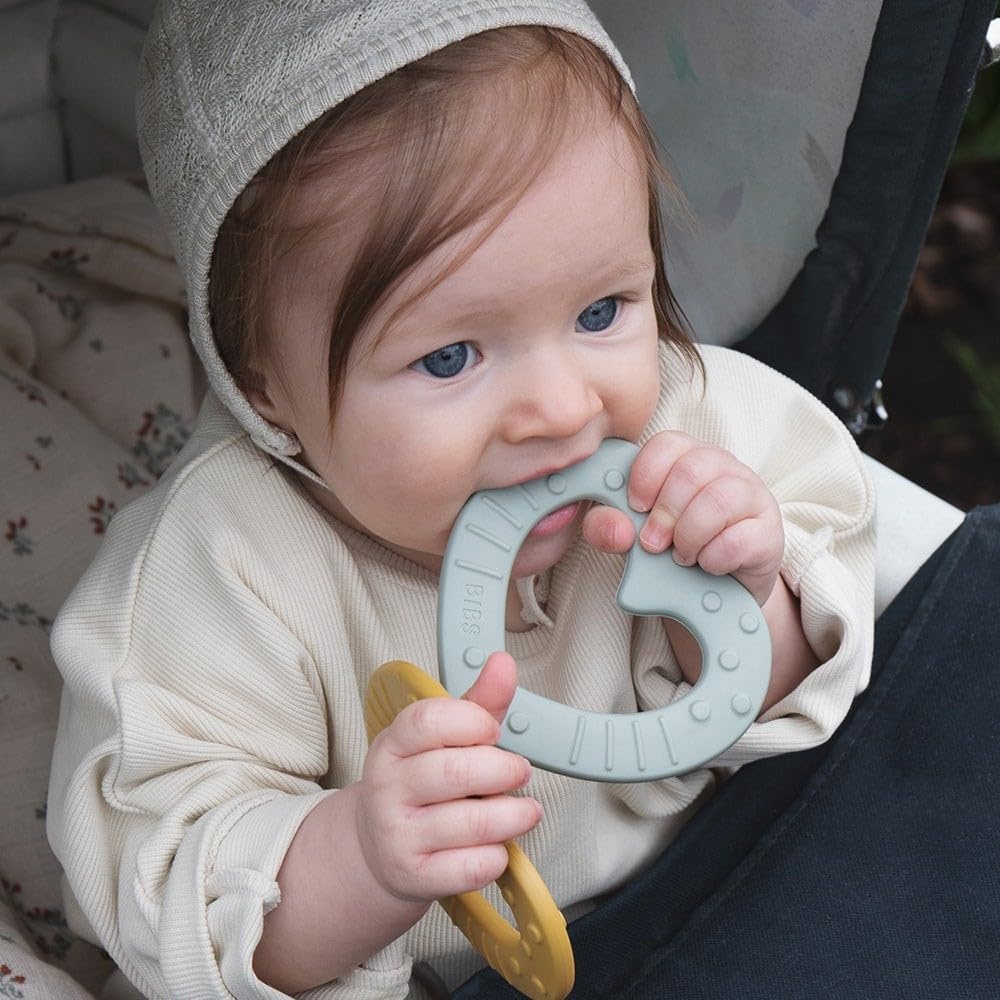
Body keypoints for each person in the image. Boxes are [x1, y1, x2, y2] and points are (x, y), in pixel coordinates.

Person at [45, 2, 875, 998]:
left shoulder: (692, 427)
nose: (564, 409)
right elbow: (168, 893)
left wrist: (744, 595)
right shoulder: (222, 568)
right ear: (263, 387)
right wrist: (357, 859)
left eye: (600, 310)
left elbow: (794, 707)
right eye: (449, 358)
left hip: (717, 900)